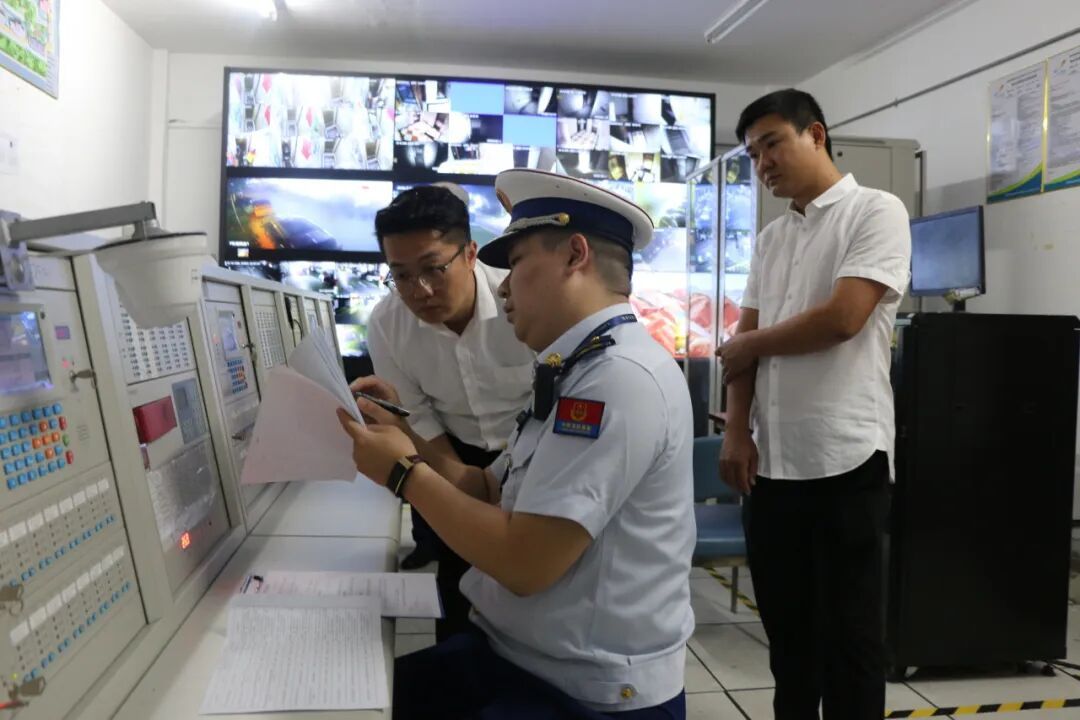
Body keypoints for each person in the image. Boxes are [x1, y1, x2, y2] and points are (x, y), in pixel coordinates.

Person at [337, 169, 695, 719]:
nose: (503, 286)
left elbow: (524, 563)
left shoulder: (616, 381)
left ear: (575, 255)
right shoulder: (573, 369)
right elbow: (485, 487)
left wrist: (402, 474)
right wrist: (402, 434)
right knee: (348, 695)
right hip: (518, 654)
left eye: (517, 262)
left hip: (581, 688)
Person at [717, 89, 912, 719]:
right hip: (772, 465)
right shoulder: (772, 238)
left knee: (852, 643)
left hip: (845, 458)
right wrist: (736, 431)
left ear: (816, 135)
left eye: (772, 144)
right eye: (753, 154)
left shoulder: (875, 211)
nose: (763, 164)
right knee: (789, 644)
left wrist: (748, 342)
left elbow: (843, 319)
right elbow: (743, 346)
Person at [355, 183, 534, 641]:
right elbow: (418, 418)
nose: (421, 290)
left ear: (471, 254)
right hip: (452, 449)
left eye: (434, 269)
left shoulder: (522, 299)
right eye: (401, 275)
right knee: (458, 588)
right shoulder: (387, 325)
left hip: (537, 449)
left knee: (533, 586)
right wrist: (464, 483)